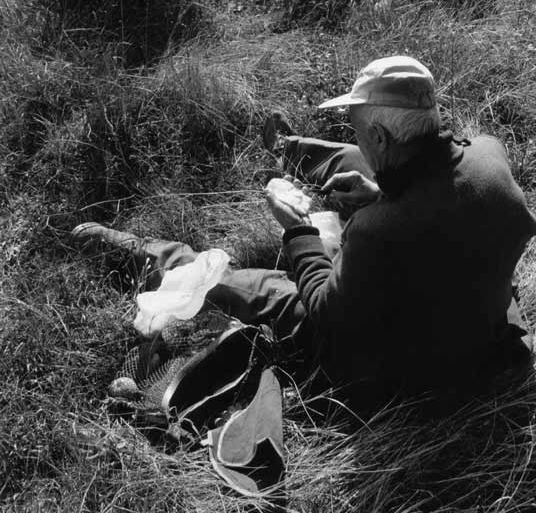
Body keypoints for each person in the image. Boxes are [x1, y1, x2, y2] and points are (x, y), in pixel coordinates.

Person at [73, 55, 536, 406]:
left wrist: (299, 232)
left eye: (360, 133)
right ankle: (288, 147)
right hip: (476, 317)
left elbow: (324, 312)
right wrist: (378, 192)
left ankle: (138, 249)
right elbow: (437, 207)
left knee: (253, 287)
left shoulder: (377, 232)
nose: (359, 141)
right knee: (352, 162)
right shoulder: (488, 156)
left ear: (380, 136)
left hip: (399, 367)